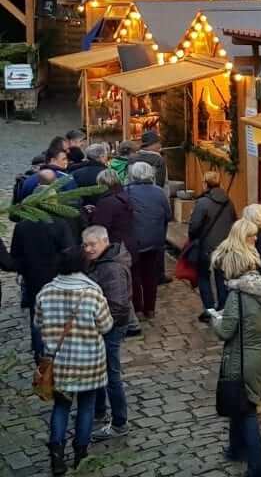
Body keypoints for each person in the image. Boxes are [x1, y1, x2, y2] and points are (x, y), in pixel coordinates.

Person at [210, 221, 261, 477]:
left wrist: (214, 317)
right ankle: (235, 448)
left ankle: (258, 468)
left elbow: (225, 331)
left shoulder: (237, 296)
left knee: (248, 411)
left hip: (242, 358)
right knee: (242, 404)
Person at [35, 247, 113, 475]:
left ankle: (57, 455)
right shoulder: (93, 292)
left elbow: (38, 324)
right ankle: (81, 452)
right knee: (87, 407)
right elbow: (106, 326)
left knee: (61, 407)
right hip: (89, 362)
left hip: (58, 364)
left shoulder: (45, 292)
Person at [9, 185, 75, 360]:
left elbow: (15, 255)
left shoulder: (23, 226)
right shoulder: (60, 223)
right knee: (61, 318)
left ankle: (41, 358)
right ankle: (62, 356)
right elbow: (69, 252)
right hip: (58, 279)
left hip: (33, 279)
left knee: (37, 319)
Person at [82, 226, 132, 441]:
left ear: (104, 241)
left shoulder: (111, 268)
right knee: (100, 370)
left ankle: (120, 422)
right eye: (85, 245)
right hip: (103, 325)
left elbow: (118, 305)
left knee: (112, 375)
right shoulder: (100, 261)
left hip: (110, 326)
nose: (89, 249)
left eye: (93, 244)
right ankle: (99, 410)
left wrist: (101, 324)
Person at [124, 161, 171, 318]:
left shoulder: (127, 191)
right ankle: (150, 309)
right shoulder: (159, 192)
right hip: (154, 240)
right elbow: (168, 215)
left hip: (134, 240)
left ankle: (138, 309)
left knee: (135, 275)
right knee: (150, 275)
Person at [189, 172, 238, 319]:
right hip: (225, 245)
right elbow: (234, 221)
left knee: (203, 276)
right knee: (221, 276)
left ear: (205, 183)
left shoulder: (203, 203)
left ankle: (209, 309)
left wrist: (193, 238)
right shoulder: (228, 201)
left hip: (206, 246)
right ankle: (223, 307)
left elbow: (194, 227)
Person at [89, 170, 137, 255]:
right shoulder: (125, 196)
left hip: (115, 248)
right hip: (129, 244)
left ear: (101, 183)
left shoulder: (106, 202)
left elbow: (99, 227)